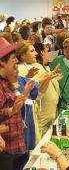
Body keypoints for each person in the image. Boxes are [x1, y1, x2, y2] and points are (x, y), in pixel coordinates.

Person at [0, 37, 35, 170]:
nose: (16, 61)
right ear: (2, 62)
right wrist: (11, 110)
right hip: (5, 151)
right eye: (13, 58)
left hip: (15, 147)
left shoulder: (7, 82)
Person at [33, 43, 61, 135]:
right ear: (41, 52)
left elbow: (46, 83)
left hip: (49, 115)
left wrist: (54, 79)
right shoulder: (36, 67)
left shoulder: (43, 67)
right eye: (46, 51)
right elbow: (36, 87)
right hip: (43, 117)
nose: (48, 54)